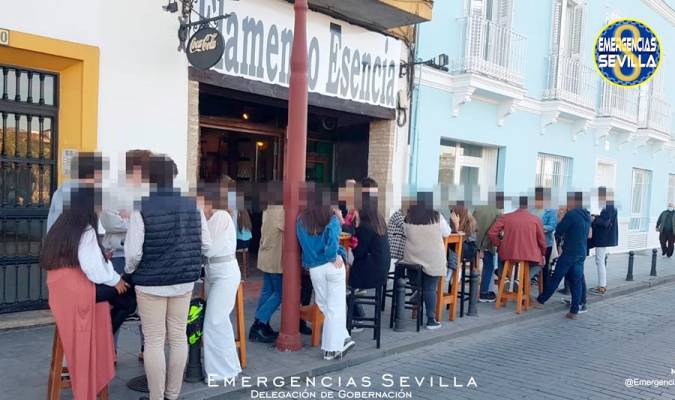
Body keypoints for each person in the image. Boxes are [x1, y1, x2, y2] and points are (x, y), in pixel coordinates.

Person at [125, 155, 212, 400]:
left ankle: (155, 396)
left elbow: (133, 253)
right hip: (184, 281)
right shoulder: (192, 204)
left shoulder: (141, 206)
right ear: (173, 176)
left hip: (150, 283)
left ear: (149, 178)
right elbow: (206, 244)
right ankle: (172, 395)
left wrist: (131, 272)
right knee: (177, 336)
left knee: (154, 340)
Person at [41, 186, 118, 399]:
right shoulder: (86, 230)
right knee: (119, 298)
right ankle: (103, 359)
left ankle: (105, 351)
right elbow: (94, 270)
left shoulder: (60, 227)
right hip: (78, 295)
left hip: (60, 294)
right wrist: (116, 280)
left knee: (109, 297)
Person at [100, 149, 151, 355]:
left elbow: (149, 225)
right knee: (116, 304)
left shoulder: (150, 193)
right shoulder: (113, 192)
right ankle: (109, 351)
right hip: (119, 256)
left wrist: (130, 218)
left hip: (144, 257)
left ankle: (146, 348)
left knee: (146, 306)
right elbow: (109, 221)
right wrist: (134, 222)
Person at [296, 185, 355, 360]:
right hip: (332, 266)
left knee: (325, 306)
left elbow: (302, 244)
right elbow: (331, 247)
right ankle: (332, 348)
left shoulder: (301, 220)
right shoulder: (331, 218)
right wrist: (333, 256)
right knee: (335, 308)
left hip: (314, 268)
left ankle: (342, 339)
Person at [198, 183, 242, 382]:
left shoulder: (221, 216)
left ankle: (222, 371)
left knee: (214, 320)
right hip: (213, 271)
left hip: (224, 271)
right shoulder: (215, 217)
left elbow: (205, 245)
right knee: (218, 320)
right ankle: (229, 367)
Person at [535, 192, 591, 319]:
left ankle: (541, 300)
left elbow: (559, 230)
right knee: (576, 281)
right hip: (581, 252)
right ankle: (574, 310)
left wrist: (561, 216)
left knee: (556, 277)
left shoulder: (571, 215)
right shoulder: (586, 215)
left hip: (570, 252)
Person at [402, 191, 452, 330]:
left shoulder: (408, 217)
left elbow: (405, 233)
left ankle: (417, 290)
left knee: (418, 284)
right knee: (431, 289)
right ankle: (431, 320)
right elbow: (447, 233)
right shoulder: (436, 216)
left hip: (413, 260)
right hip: (433, 259)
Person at [348, 181, 390, 324]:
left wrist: (356, 228)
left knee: (342, 279)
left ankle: (356, 318)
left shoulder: (365, 225)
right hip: (382, 271)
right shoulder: (378, 219)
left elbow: (359, 253)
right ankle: (356, 314)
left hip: (372, 271)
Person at [249, 183, 285, 343]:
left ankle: (262, 325)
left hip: (265, 256)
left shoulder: (268, 208)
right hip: (276, 258)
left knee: (267, 291)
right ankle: (259, 323)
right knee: (280, 293)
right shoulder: (281, 211)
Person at [488, 196, 547, 291]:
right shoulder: (535, 219)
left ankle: (506, 278)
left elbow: (491, 233)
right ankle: (522, 280)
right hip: (530, 255)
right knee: (540, 263)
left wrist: (499, 244)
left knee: (501, 259)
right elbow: (542, 240)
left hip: (508, 253)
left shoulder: (506, 217)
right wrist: (543, 253)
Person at [47, 151, 104, 232]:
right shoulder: (66, 192)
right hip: (66, 242)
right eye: (98, 172)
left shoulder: (87, 191)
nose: (101, 177)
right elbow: (59, 225)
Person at [473, 192, 504, 302]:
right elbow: (492, 232)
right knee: (489, 266)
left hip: (474, 242)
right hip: (486, 244)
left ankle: (474, 292)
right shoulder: (498, 211)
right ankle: (483, 292)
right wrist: (483, 247)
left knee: (475, 267)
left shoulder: (478, 207)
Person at [588, 187, 618, 295]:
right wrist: (597, 216)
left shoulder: (609, 206)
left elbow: (605, 222)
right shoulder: (609, 205)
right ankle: (601, 285)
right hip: (603, 238)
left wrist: (594, 219)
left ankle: (602, 286)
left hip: (603, 238)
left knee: (599, 261)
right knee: (600, 260)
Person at [530, 187, 557, 292]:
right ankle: (524, 286)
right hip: (531, 243)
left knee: (544, 266)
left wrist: (539, 228)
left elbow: (552, 226)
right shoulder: (530, 209)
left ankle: (545, 290)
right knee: (530, 265)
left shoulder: (550, 211)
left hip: (545, 243)